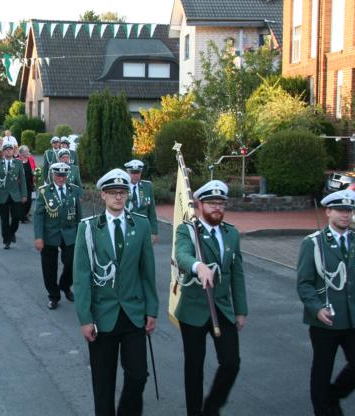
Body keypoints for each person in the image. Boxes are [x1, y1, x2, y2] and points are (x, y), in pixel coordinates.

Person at [73, 168, 158, 416]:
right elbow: (81, 276)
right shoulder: (88, 228)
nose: (118, 197)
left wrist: (151, 309)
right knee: (103, 381)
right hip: (102, 315)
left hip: (133, 312)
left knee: (139, 375)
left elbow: (147, 271)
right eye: (113, 192)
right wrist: (85, 318)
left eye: (122, 192)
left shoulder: (140, 225)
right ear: (103, 195)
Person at [297, 189, 355, 416]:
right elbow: (304, 283)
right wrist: (316, 308)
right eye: (340, 210)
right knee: (322, 369)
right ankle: (323, 410)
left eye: (349, 210)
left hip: (354, 318)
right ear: (328, 211)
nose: (345, 215)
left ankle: (331, 396)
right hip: (325, 320)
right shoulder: (313, 243)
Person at [174, 179, 247, 416]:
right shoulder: (188, 230)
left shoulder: (231, 233)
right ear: (200, 205)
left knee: (231, 363)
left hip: (222, 308)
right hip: (194, 308)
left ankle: (211, 408)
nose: (217, 207)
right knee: (194, 367)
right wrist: (198, 266)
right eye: (211, 203)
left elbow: (237, 273)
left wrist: (240, 310)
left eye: (221, 203)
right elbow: (182, 255)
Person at [34, 162, 82, 310]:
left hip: (69, 233)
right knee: (49, 267)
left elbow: (78, 214)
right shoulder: (44, 192)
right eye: (58, 175)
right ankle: (54, 296)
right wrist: (39, 237)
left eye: (63, 175)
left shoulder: (74, 190)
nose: (61, 178)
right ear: (53, 175)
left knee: (72, 263)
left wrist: (81, 233)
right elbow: (38, 215)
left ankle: (65, 285)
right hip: (50, 234)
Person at [0, 142, 27, 249]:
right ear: (3, 152)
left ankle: (11, 232)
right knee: (4, 219)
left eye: (10, 149)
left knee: (17, 217)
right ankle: (6, 240)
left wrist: (24, 194)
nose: (8, 151)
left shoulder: (18, 163)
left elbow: (23, 180)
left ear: (13, 151)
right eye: (6, 150)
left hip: (15, 194)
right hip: (3, 194)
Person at [124, 160, 158, 244]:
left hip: (144, 229)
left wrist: (154, 231)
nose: (135, 175)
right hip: (127, 229)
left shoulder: (147, 186)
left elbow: (152, 211)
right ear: (127, 172)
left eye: (138, 172)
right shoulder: (122, 187)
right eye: (133, 173)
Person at [17, 145, 36, 223]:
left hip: (29, 183)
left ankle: (24, 215)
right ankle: (23, 217)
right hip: (20, 184)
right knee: (22, 201)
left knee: (29, 201)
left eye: (28, 151)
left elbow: (35, 169)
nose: (28, 153)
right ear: (21, 153)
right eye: (26, 152)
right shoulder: (17, 161)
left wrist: (35, 175)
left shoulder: (31, 159)